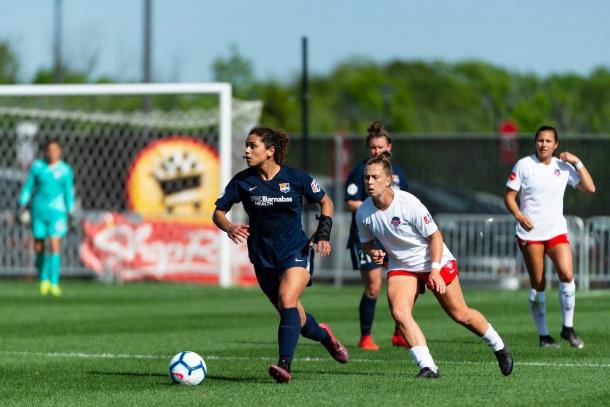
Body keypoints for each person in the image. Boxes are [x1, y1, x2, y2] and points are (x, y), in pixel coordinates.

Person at [356, 152, 513, 378]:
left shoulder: (408, 203)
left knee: (460, 314)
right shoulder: (363, 213)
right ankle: (427, 366)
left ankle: (498, 346)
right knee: (400, 313)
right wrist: (375, 252)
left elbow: (435, 237)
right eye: (367, 177)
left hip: (433, 260)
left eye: (375, 177)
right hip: (402, 266)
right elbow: (366, 244)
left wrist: (436, 270)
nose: (370, 182)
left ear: (388, 180)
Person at [213, 126, 349, 383]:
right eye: (247, 145)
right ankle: (325, 336)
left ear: (270, 151)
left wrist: (323, 233)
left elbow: (326, 201)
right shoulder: (243, 181)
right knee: (297, 319)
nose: (247, 150)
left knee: (287, 298)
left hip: (296, 251)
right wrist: (229, 226)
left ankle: (284, 365)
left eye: (253, 146)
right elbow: (218, 212)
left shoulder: (296, 178)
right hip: (263, 258)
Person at [504, 125, 595, 348]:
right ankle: (544, 336)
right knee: (539, 282)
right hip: (531, 233)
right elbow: (509, 196)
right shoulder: (524, 165)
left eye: (548, 141)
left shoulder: (563, 167)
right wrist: (519, 215)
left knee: (567, 274)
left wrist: (577, 161)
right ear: (536, 143)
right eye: (540, 140)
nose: (543, 144)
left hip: (556, 231)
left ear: (556, 145)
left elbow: (590, 188)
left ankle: (568, 328)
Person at [345, 121, 410, 351]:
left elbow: (406, 203)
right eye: (372, 148)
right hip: (367, 237)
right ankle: (365, 337)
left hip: (393, 237)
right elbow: (350, 201)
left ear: (389, 147)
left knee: (402, 284)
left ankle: (399, 333)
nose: (376, 151)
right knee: (373, 286)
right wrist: (374, 207)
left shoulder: (397, 173)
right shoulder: (361, 171)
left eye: (380, 147)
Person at [18, 138, 75, 297]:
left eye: (56, 150)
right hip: (39, 211)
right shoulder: (37, 167)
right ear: (45, 152)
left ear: (60, 152)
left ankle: (54, 282)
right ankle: (43, 279)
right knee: (39, 246)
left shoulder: (65, 170)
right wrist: (22, 204)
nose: (53, 153)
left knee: (55, 244)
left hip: (58, 212)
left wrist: (71, 210)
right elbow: (29, 186)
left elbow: (69, 192)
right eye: (50, 150)